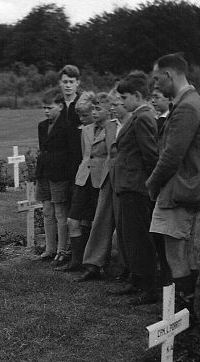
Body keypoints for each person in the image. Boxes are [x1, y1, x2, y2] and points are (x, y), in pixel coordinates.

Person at [146, 53, 200, 318]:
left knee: (175, 255)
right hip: (189, 188)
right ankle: (187, 313)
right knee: (185, 251)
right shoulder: (197, 102)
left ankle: (182, 316)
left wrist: (151, 184)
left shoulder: (186, 107)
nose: (156, 84)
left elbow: (171, 156)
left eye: (157, 78)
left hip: (178, 190)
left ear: (169, 75)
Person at [111, 72, 160, 303]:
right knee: (131, 236)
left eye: (124, 97)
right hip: (127, 185)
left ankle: (147, 286)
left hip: (137, 186)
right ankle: (136, 279)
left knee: (140, 238)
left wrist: (150, 186)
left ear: (138, 95)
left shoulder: (144, 117)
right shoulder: (136, 116)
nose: (120, 102)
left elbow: (150, 155)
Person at [74, 93, 121, 282]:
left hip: (115, 177)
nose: (93, 112)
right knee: (99, 223)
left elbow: (113, 153)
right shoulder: (89, 129)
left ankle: (127, 268)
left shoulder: (115, 127)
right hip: (100, 180)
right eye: (92, 108)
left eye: (98, 108)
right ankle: (93, 264)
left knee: (121, 225)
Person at [55, 91, 96, 272]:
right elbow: (82, 156)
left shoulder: (107, 128)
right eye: (79, 115)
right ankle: (76, 260)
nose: (81, 118)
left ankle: (90, 261)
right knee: (74, 220)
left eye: (85, 115)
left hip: (98, 180)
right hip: (82, 178)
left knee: (90, 221)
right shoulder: (83, 130)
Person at [35, 88, 73, 264]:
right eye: (44, 108)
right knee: (47, 211)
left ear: (60, 106)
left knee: (60, 213)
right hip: (44, 173)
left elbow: (70, 153)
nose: (46, 111)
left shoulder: (67, 126)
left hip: (59, 174)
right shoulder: (42, 126)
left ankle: (62, 250)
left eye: (49, 107)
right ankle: (49, 248)